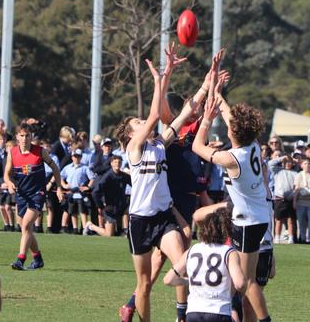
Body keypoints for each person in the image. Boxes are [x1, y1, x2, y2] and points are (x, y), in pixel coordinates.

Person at [116, 43, 197, 322]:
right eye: (137, 122)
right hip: (139, 220)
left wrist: (171, 73)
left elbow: (182, 117)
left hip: (163, 217)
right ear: (130, 134)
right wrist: (157, 79)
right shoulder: (134, 149)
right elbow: (153, 117)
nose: (144, 123)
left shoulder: (160, 145)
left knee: (182, 265)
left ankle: (185, 314)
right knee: (143, 286)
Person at [192, 54, 272, 322]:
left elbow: (197, 147)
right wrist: (216, 92)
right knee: (244, 280)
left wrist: (205, 118)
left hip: (248, 221)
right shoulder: (252, 144)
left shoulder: (231, 158)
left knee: (246, 283)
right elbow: (230, 117)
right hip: (259, 216)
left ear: (232, 132)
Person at [164, 208, 246, 322]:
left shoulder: (193, 250)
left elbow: (168, 279)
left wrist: (188, 281)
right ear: (225, 230)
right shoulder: (229, 252)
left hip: (193, 312)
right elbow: (240, 284)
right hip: (219, 312)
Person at [4, 122, 64, 270]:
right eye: (22, 135)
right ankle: (37, 258)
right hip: (22, 194)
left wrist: (59, 188)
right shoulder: (12, 153)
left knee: (25, 225)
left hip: (37, 193)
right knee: (26, 229)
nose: (24, 139)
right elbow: (6, 174)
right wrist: (9, 183)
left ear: (31, 137)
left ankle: (20, 259)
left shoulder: (40, 151)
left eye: (27, 136)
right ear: (17, 136)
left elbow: (55, 168)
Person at [86, 155, 131, 237]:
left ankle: (126, 231)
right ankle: (90, 226)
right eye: (115, 162)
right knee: (109, 234)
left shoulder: (125, 176)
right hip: (110, 208)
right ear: (111, 164)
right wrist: (101, 206)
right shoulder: (107, 176)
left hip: (121, 207)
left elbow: (135, 185)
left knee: (129, 210)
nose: (117, 164)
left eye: (119, 162)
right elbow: (95, 192)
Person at [60, 147, 95, 234]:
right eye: (75, 156)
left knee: (83, 211)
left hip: (80, 193)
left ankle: (84, 228)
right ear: (72, 157)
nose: (76, 158)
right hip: (71, 193)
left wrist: (88, 187)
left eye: (78, 156)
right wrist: (64, 185)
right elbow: (60, 176)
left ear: (81, 157)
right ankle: (75, 228)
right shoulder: (67, 167)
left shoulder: (85, 168)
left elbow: (92, 178)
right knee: (72, 211)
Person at [269, 154, 297, 244]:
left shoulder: (295, 173)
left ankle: (291, 238)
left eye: (290, 162)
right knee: (278, 219)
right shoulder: (277, 171)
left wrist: (291, 195)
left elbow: (296, 187)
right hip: (279, 199)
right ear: (282, 163)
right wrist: (282, 158)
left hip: (290, 199)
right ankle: (277, 237)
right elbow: (270, 163)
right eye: (286, 162)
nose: (288, 164)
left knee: (290, 220)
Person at [294, 157, 310, 244]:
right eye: (305, 163)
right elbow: (297, 189)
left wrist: (307, 190)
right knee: (301, 222)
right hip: (300, 202)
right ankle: (303, 238)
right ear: (301, 165)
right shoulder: (298, 175)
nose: (307, 165)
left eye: (308, 164)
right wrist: (294, 201)